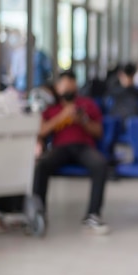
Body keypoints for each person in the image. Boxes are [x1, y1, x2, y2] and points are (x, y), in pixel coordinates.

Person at [34, 70, 109, 234]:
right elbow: (42, 131)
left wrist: (83, 120)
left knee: (100, 164)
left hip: (83, 147)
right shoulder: (51, 109)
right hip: (60, 148)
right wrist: (62, 116)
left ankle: (93, 214)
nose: (67, 90)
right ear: (58, 88)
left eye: (70, 85)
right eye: (64, 86)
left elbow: (98, 132)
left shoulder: (87, 104)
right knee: (41, 166)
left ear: (75, 86)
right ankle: (38, 213)